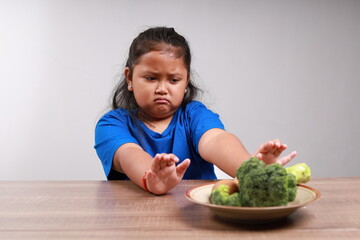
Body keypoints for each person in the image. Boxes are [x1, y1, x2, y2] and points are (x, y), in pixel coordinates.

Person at [94, 27, 297, 195]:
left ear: (186, 82)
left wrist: (250, 168)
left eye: (174, 80)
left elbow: (216, 140)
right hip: (135, 219)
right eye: (151, 78)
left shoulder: (194, 115)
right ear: (129, 78)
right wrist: (152, 177)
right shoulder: (112, 124)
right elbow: (129, 154)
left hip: (197, 219)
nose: (162, 88)